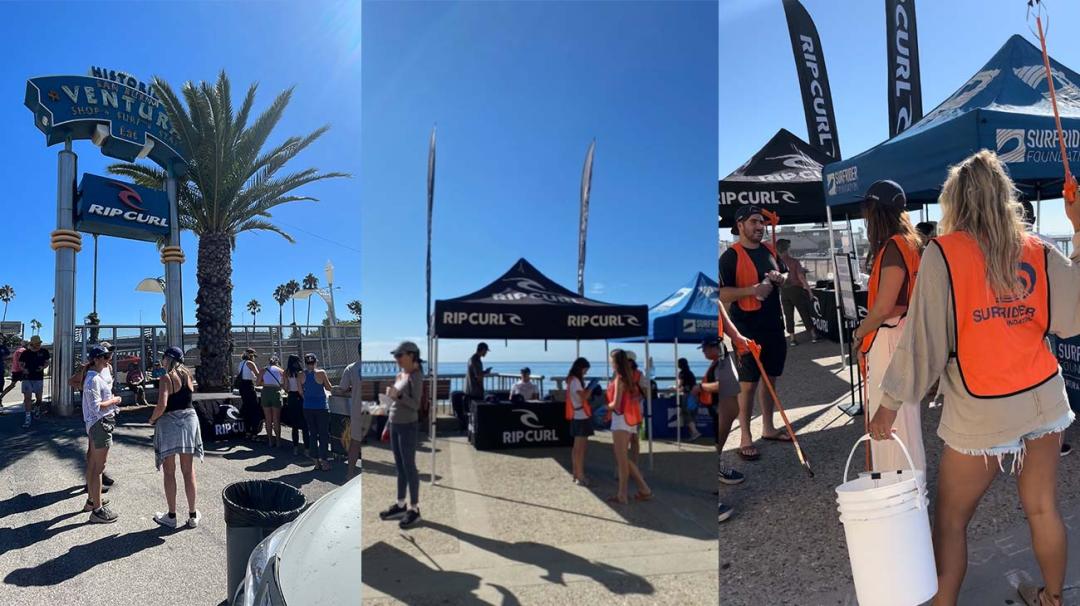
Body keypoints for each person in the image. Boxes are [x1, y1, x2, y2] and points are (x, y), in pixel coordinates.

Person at [868, 150, 1080, 606]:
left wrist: (888, 405)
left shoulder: (945, 253)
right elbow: (1074, 315)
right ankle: (1053, 599)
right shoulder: (1037, 249)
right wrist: (1078, 229)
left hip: (981, 409)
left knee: (950, 519)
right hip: (1043, 396)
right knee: (1042, 507)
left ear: (955, 202)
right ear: (1004, 197)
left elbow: (922, 340)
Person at [851, 180, 925, 473]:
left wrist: (859, 333)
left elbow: (882, 308)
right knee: (904, 418)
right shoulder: (911, 242)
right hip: (904, 331)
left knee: (891, 420)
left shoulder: (894, 246)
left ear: (875, 210)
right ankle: (906, 488)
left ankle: (897, 490)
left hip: (891, 336)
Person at [719, 205, 789, 461]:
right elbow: (721, 294)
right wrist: (752, 290)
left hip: (773, 324)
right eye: (753, 222)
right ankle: (745, 437)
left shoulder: (769, 249)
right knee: (747, 385)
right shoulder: (730, 257)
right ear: (740, 225)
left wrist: (779, 277)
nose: (759, 227)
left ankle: (768, 428)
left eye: (761, 222)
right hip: (747, 328)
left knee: (771, 379)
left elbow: (784, 270)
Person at [1020, 201, 1074, 458]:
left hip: (1010, 327)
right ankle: (1051, 440)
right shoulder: (1045, 243)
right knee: (1047, 381)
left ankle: (1016, 436)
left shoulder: (998, 245)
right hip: (1043, 324)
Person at [695, 304, 749, 522]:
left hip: (721, 354)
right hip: (704, 354)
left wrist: (737, 337)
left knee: (731, 410)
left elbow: (721, 314)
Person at [149, 346, 203, 529]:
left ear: (169, 358)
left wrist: (152, 419)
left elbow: (162, 404)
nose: (162, 360)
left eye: (163, 357)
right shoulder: (188, 375)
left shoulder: (166, 378)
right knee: (188, 471)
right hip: (189, 421)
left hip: (170, 423)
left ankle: (171, 516)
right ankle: (193, 514)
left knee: (169, 472)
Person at [379, 341, 424, 529]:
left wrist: (398, 395)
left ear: (411, 355)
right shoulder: (401, 374)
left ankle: (414, 508)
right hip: (395, 424)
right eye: (395, 356)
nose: (396, 359)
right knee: (400, 467)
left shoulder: (416, 376)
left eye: (399, 356)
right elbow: (393, 404)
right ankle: (400, 505)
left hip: (408, 426)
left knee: (409, 467)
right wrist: (387, 425)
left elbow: (415, 405)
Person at [605, 349, 652, 505]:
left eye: (611, 360)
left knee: (622, 459)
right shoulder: (630, 377)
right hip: (629, 419)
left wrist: (606, 406)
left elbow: (616, 404)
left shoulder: (619, 378)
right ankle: (643, 489)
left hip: (620, 419)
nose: (610, 363)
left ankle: (623, 494)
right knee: (624, 458)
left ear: (616, 362)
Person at [82, 345, 120, 523]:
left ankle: (92, 500)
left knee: (93, 463)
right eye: (105, 357)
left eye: (109, 356)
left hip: (98, 424)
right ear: (96, 359)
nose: (108, 360)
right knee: (98, 467)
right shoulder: (93, 380)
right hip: (100, 425)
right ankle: (97, 510)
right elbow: (97, 407)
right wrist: (114, 400)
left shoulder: (95, 378)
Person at [776, 238, 819, 346]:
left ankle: (792, 339)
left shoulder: (776, 263)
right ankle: (813, 335)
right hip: (796, 290)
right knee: (804, 312)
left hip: (784, 291)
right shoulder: (794, 261)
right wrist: (809, 291)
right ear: (787, 249)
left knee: (788, 315)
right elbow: (801, 277)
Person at [333, 342, 365, 481]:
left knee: (355, 442)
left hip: (358, 409)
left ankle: (350, 473)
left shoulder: (351, 368)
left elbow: (343, 388)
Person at [301, 353, 335, 471]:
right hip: (321, 407)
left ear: (305, 363)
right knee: (324, 434)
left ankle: (315, 461)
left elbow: (301, 392)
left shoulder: (300, 375)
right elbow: (328, 387)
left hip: (307, 407)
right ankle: (324, 461)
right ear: (315, 362)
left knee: (313, 433)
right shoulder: (321, 373)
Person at [565, 357, 593, 486]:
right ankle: (580, 475)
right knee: (580, 448)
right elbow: (584, 397)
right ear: (581, 368)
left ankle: (576, 473)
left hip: (577, 415)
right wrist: (591, 388)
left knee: (576, 448)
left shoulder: (571, 380)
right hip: (581, 416)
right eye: (585, 370)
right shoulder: (576, 381)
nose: (585, 373)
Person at [281, 354, 310, 457]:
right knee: (305, 424)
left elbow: (285, 387)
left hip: (292, 397)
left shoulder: (286, 372)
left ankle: (295, 448)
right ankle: (307, 449)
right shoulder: (301, 372)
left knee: (294, 424)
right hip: (301, 396)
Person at [20, 335, 51, 429]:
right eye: (36, 344)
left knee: (39, 398)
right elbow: (21, 363)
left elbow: (47, 362)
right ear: (32, 344)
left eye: (39, 343)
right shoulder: (26, 353)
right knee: (27, 398)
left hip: (38, 377)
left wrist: (43, 367)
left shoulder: (44, 351)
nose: (38, 345)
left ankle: (37, 408)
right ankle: (28, 417)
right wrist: (23, 369)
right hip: (27, 378)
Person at [257, 355, 285, 447]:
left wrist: (265, 382)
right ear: (277, 362)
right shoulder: (281, 371)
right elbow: (284, 384)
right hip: (276, 392)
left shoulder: (263, 370)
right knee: (276, 419)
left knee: (268, 419)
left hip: (265, 392)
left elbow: (257, 382)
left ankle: (270, 441)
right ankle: (278, 441)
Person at [235, 348, 262, 440]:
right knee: (254, 409)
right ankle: (254, 433)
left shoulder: (241, 363)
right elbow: (258, 375)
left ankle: (247, 432)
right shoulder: (250, 363)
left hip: (242, 387)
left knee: (247, 408)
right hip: (248, 386)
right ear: (251, 355)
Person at [676, 357, 701, 441]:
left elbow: (679, 385)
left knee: (686, 414)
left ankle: (695, 432)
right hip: (694, 395)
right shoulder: (690, 373)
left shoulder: (682, 373)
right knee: (692, 414)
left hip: (687, 396)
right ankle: (693, 434)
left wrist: (673, 388)